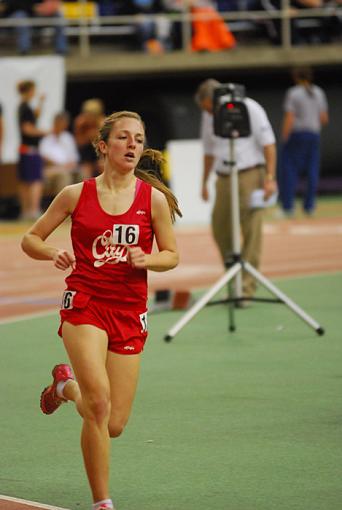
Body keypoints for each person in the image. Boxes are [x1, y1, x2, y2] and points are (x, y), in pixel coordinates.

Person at [21, 110, 182, 510]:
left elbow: (172, 256)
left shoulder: (154, 200)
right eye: (124, 137)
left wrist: (148, 259)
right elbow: (30, 238)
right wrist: (52, 252)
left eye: (139, 139)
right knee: (97, 405)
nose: (132, 144)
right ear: (103, 146)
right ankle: (102, 502)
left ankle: (64, 386)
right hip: (85, 303)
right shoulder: (76, 194)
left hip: (129, 310)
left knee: (113, 424)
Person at [195, 78, 277, 301]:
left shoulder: (249, 107)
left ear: (216, 100)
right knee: (220, 226)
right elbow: (209, 150)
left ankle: (246, 288)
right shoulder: (207, 115)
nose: (209, 114)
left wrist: (270, 178)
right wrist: (203, 182)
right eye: (205, 110)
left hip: (250, 172)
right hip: (223, 176)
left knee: (251, 228)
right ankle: (234, 279)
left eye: (209, 108)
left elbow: (269, 144)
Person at [279, 66, 329, 216]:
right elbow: (324, 119)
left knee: (289, 171)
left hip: (297, 134)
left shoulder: (293, 93)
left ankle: (288, 207)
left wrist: (284, 136)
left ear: (296, 77)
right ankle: (309, 207)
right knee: (312, 171)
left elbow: (290, 117)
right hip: (313, 135)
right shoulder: (319, 92)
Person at [17, 79, 47, 220]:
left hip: (25, 150)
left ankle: (25, 211)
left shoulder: (24, 107)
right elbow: (27, 129)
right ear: (29, 91)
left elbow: (34, 117)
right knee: (35, 181)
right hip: (30, 150)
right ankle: (33, 210)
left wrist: (41, 103)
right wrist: (43, 132)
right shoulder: (25, 108)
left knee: (25, 181)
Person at [39, 111, 80, 200]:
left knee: (83, 174)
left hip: (67, 168)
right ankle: (64, 207)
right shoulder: (47, 138)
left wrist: (69, 165)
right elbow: (44, 158)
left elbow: (74, 158)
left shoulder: (68, 138)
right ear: (54, 122)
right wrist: (60, 166)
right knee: (64, 176)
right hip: (51, 169)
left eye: (63, 123)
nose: (61, 125)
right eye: (59, 122)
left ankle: (82, 206)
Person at [73, 98, 105, 179]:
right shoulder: (80, 122)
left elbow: (106, 143)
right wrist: (88, 137)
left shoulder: (102, 122)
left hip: (100, 151)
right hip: (85, 151)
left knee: (102, 166)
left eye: (91, 115)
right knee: (86, 171)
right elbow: (78, 142)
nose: (88, 117)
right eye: (86, 114)